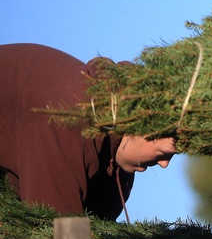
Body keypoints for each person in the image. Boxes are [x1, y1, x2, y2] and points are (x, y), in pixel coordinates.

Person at [0, 43, 178, 221]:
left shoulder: (114, 154)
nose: (164, 164)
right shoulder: (68, 120)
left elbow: (97, 225)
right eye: (164, 153)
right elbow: (56, 226)